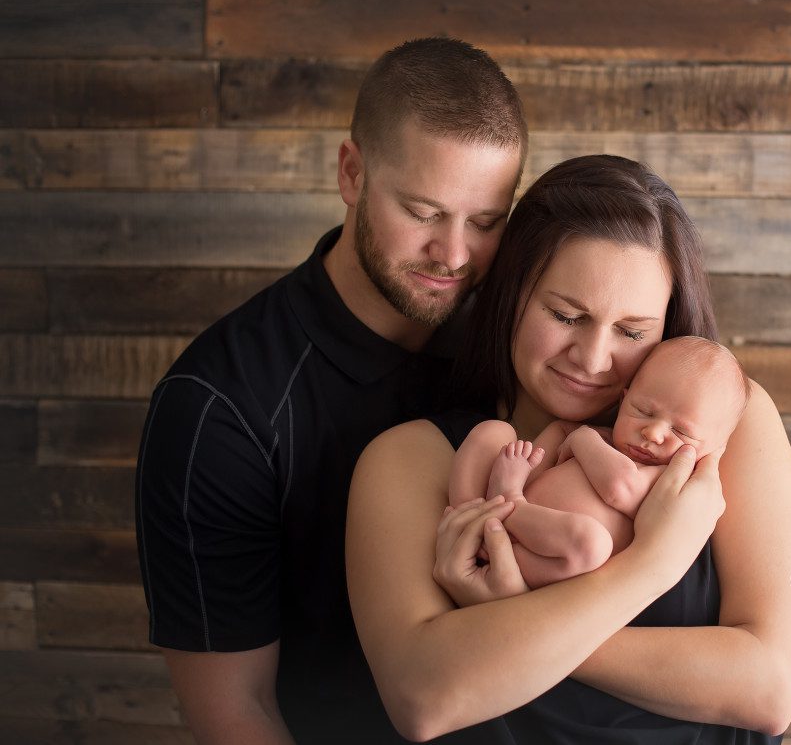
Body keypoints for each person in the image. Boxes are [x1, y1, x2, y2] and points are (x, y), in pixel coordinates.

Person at [134, 37, 526, 743]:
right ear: (352, 172)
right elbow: (238, 711)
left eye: (486, 222)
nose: (454, 255)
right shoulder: (218, 408)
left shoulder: (524, 345)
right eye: (423, 211)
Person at [347, 155, 791, 743]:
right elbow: (424, 700)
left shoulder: (726, 421)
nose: (592, 360)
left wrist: (509, 616)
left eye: (631, 331)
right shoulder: (412, 458)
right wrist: (652, 566)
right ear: (512, 295)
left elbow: (768, 690)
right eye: (566, 316)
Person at [449, 336, 751, 588]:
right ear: (623, 400)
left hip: (545, 558)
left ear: (715, 448)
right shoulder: (600, 436)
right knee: (493, 432)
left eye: (681, 431)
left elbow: (619, 488)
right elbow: (546, 447)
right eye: (643, 411)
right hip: (509, 517)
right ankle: (470, 520)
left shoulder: (668, 478)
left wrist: (582, 439)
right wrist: (527, 465)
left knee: (592, 544)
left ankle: (506, 511)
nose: (653, 432)